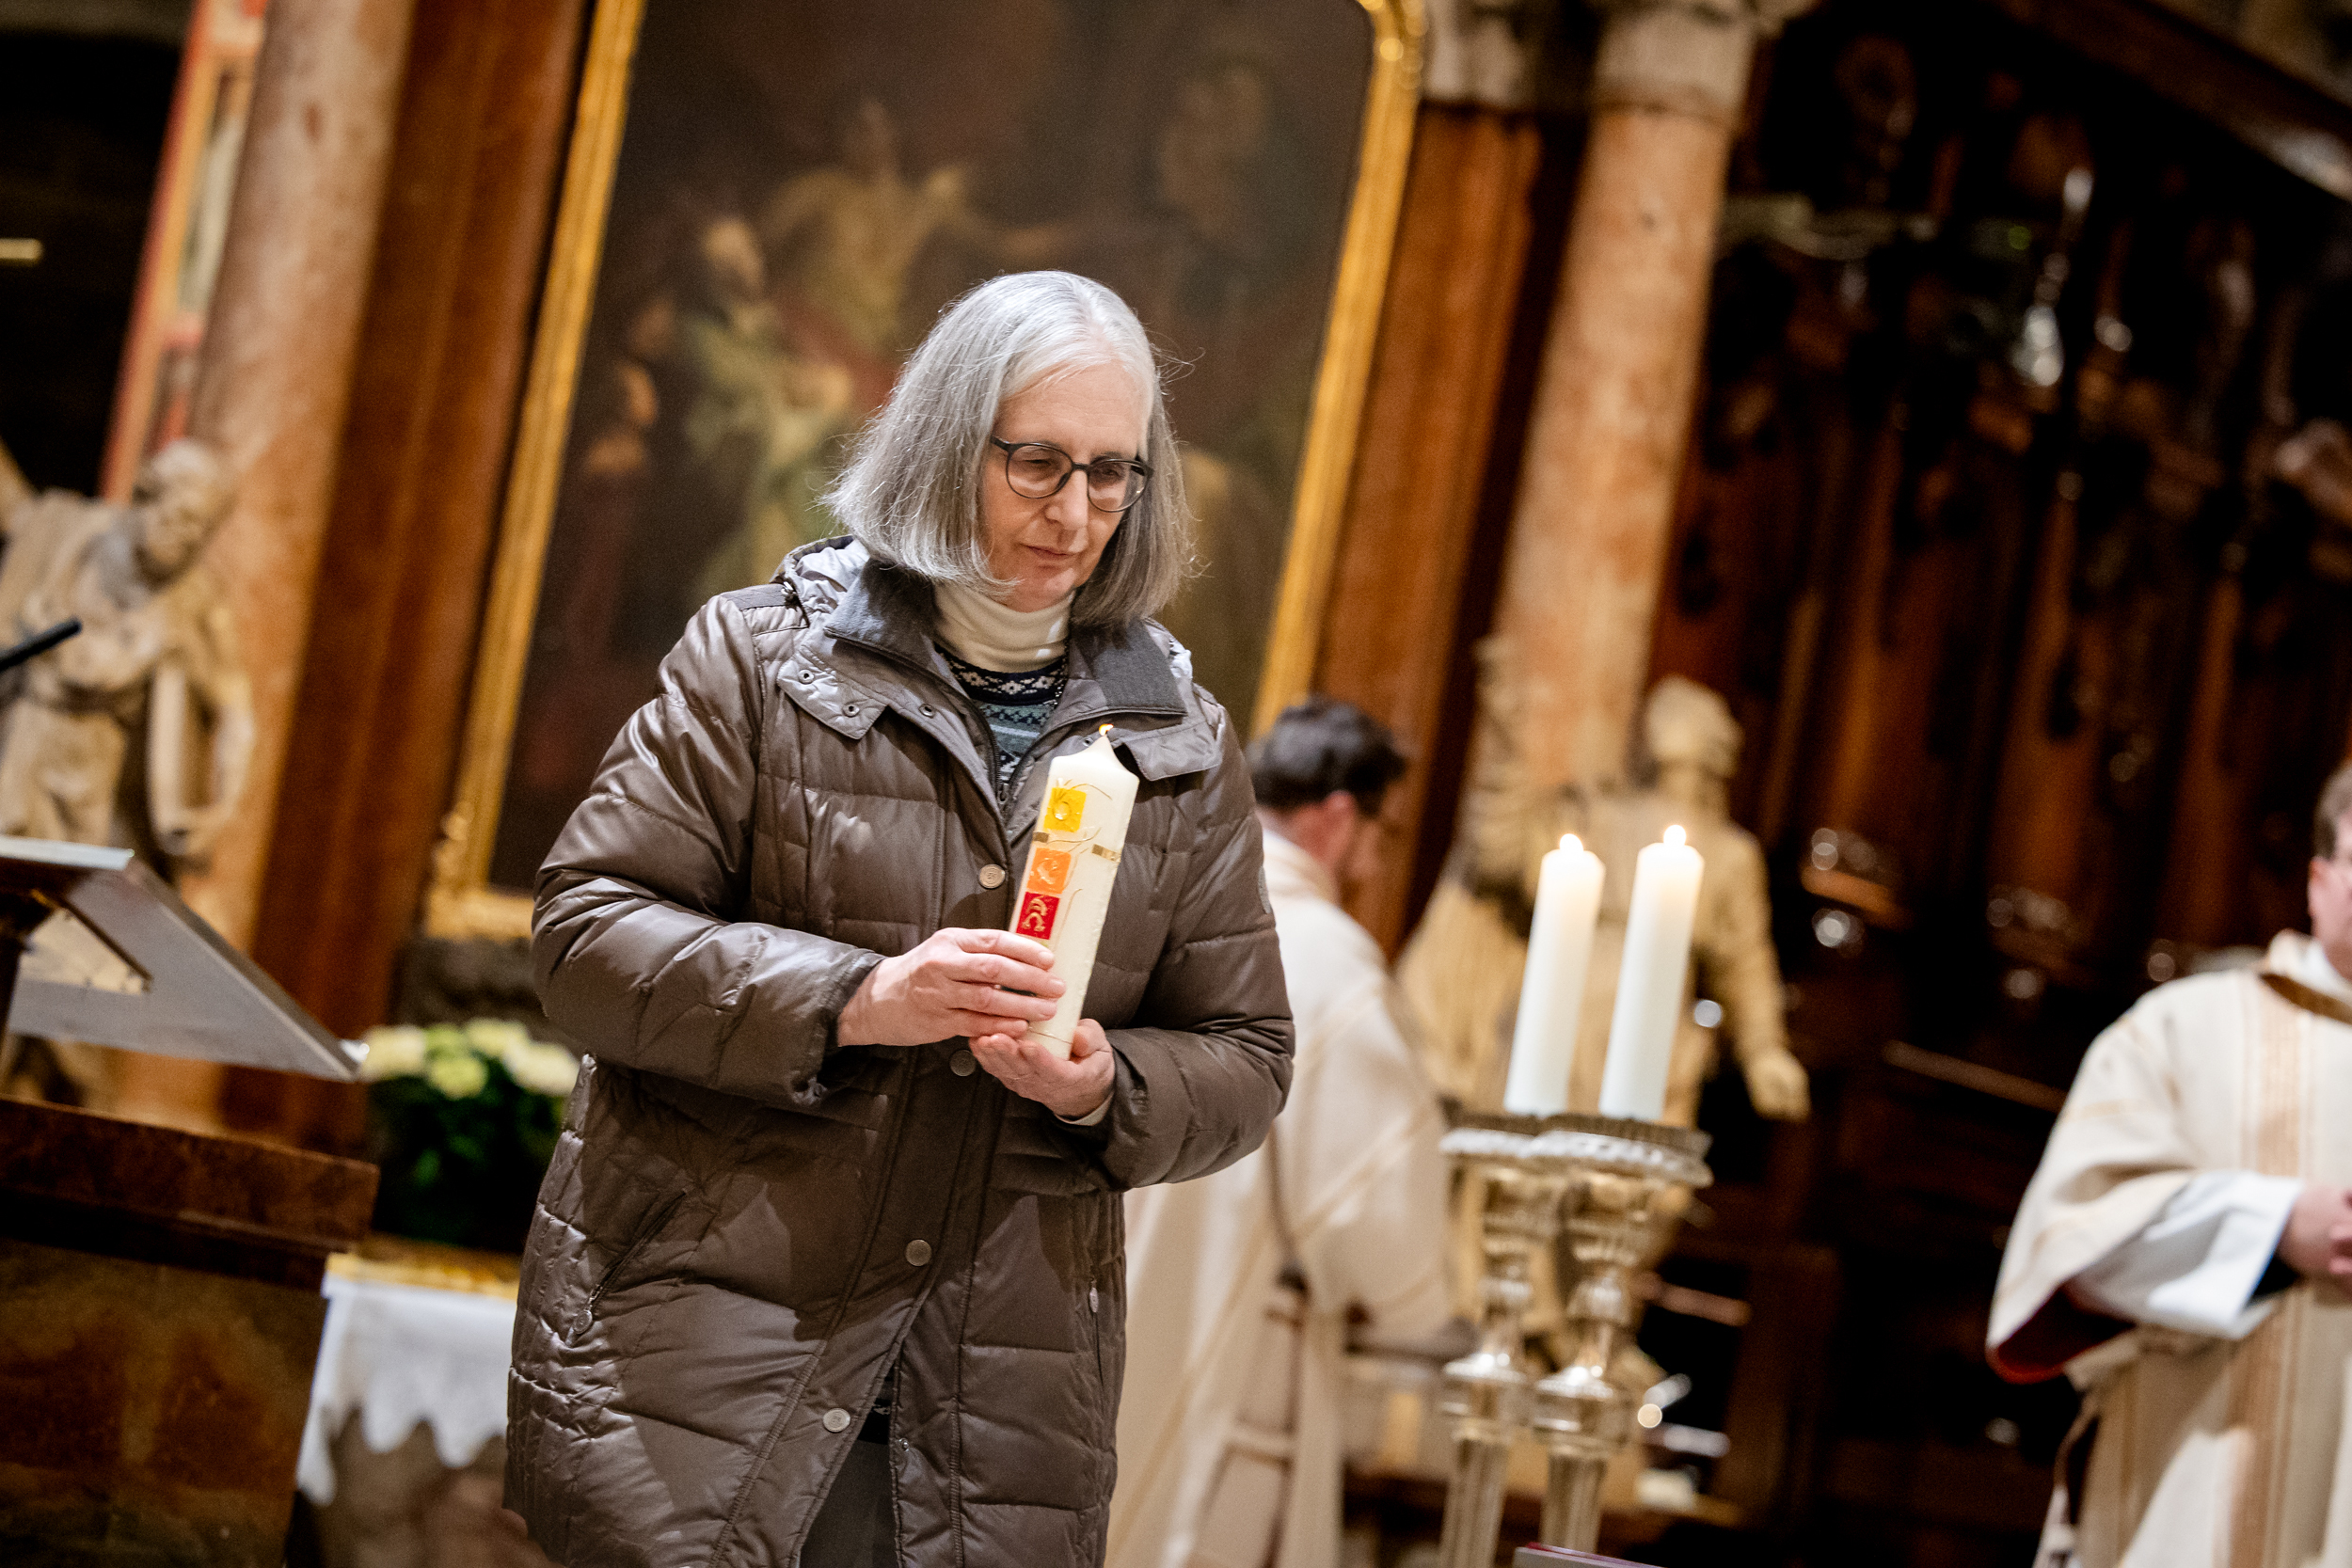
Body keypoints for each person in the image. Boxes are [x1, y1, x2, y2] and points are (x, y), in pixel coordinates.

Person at [505, 271, 1294, 1568]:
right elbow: (585, 939)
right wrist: (857, 999)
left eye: (1112, 473)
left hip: (990, 1422)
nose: (1076, 513)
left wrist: (1105, 1080)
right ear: (944, 441)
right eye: (1037, 464)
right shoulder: (759, 660)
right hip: (709, 1376)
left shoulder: (1183, 744)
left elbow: (1249, 1058)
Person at [1108, 699, 1453, 1568]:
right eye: (1380, 832)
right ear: (1337, 816)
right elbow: (1376, 1215)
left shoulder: (1148, 902)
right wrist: (1428, 1308)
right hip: (1225, 1342)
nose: (1374, 861)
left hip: (1088, 1305)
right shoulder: (1327, 957)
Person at [1989, 760, 2352, 1568]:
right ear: (2319, 880)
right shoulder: (2182, 1030)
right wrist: (2271, 1228)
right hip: (2192, 1518)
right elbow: (2073, 1248)